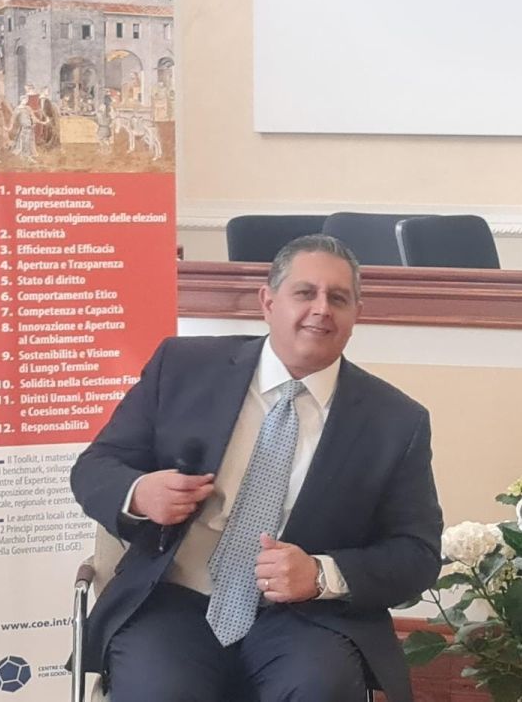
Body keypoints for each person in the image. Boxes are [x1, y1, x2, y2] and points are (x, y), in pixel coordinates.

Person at [70, 235, 443, 702]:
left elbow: (417, 554)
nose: (321, 309)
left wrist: (321, 573)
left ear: (356, 314)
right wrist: (140, 492)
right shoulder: (183, 367)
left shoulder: (396, 421)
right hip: (173, 600)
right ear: (268, 302)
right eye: (305, 293)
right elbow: (95, 468)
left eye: (338, 298)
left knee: (318, 688)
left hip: (308, 617)